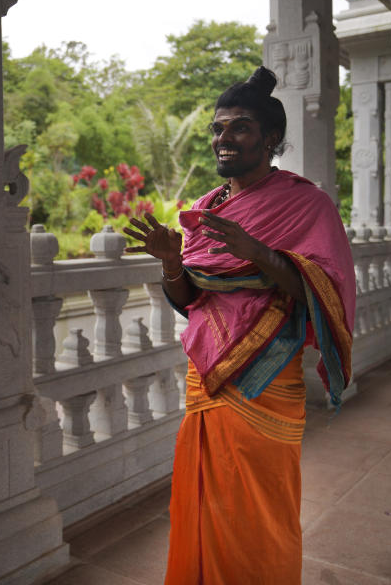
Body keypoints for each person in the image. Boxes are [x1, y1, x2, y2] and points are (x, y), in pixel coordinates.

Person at [124, 67, 355, 584]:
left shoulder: (306, 203)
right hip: (207, 371)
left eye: (239, 127)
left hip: (265, 375)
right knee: (206, 500)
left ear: (271, 139)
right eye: (217, 128)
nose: (223, 138)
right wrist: (170, 264)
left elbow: (322, 290)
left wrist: (261, 254)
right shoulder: (208, 207)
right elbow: (192, 302)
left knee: (260, 508)